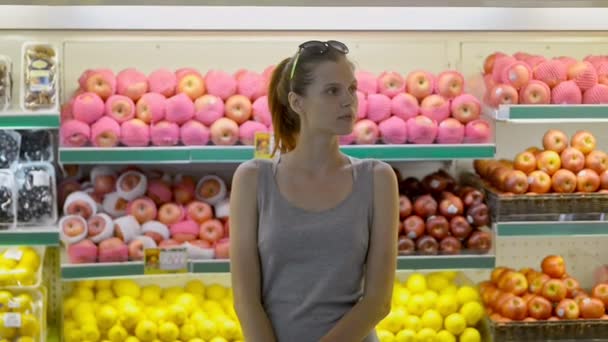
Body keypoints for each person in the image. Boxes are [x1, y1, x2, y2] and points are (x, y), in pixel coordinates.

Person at [229, 40, 399, 342]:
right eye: (332, 91)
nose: (349, 101)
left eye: (352, 89)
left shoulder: (378, 179)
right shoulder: (253, 179)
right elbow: (246, 301)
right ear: (297, 102)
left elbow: (378, 302)